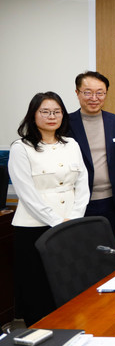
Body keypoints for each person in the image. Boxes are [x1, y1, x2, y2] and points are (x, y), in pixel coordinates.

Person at [8, 92, 89, 325]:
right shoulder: (21, 148)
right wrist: (56, 221)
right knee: (37, 288)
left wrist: (74, 218)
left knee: (68, 283)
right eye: (45, 111)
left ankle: (68, 331)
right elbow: (26, 193)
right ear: (33, 115)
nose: (51, 116)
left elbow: (82, 183)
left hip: (70, 225)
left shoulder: (71, 144)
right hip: (35, 227)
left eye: (56, 112)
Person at [68, 71, 115, 238]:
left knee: (108, 247)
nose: (94, 98)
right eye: (88, 92)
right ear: (77, 93)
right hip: (78, 200)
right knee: (81, 248)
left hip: (111, 200)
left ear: (106, 94)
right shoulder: (66, 124)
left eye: (100, 93)